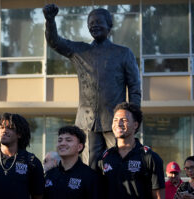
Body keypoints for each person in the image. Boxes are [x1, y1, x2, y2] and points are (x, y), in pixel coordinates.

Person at [43, 4, 141, 170]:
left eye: (98, 21)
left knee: (118, 166)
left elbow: (134, 88)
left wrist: (134, 119)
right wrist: (50, 20)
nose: (94, 25)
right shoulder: (80, 51)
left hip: (115, 123)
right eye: (90, 23)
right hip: (87, 123)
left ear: (109, 26)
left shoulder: (123, 53)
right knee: (90, 168)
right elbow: (55, 42)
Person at [98, 102, 165, 199]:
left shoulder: (150, 157)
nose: (118, 124)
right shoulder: (105, 157)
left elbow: (159, 197)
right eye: (115, 120)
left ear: (135, 125)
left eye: (124, 120)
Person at [0, 113, 44, 199]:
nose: (4, 131)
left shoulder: (31, 161)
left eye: (10, 128)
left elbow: (37, 197)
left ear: (19, 134)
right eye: (1, 127)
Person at [43, 125, 101, 199]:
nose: (62, 143)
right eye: (60, 140)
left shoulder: (91, 177)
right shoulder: (49, 175)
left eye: (68, 140)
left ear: (79, 147)